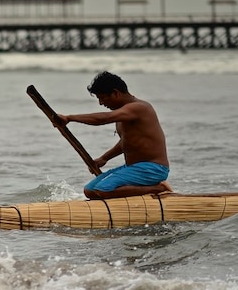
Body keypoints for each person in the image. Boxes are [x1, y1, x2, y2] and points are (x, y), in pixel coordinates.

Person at [54, 71, 172, 199]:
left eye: (102, 98)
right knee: (90, 191)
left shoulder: (139, 108)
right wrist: (104, 158)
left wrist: (69, 118)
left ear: (115, 93)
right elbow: (127, 141)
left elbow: (103, 119)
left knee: (102, 190)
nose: (100, 103)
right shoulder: (123, 113)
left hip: (153, 169)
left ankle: (159, 188)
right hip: (133, 167)